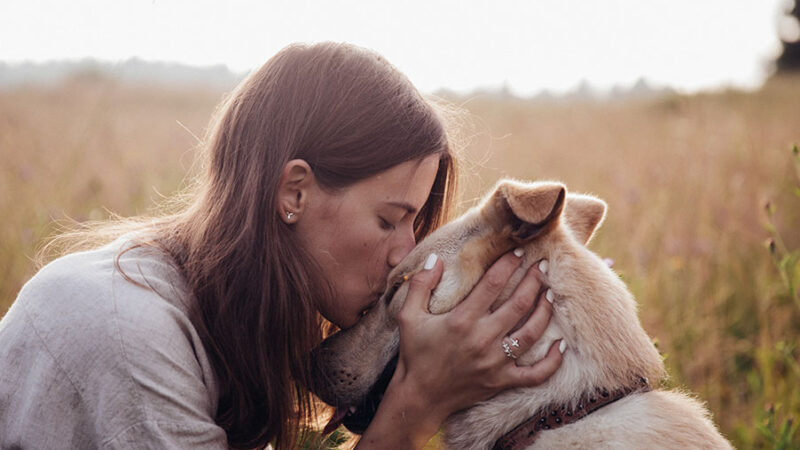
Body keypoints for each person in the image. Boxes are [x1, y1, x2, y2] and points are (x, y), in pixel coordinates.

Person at [0, 42, 563, 449]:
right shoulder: (129, 333)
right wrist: (419, 403)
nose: (404, 256)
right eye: (390, 220)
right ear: (293, 192)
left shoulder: (227, 323)